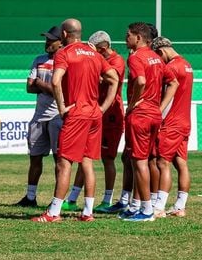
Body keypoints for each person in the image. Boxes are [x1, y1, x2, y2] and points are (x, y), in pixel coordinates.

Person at [32, 18, 118, 223]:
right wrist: (103, 107)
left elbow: (55, 80)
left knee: (64, 163)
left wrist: (62, 107)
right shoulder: (94, 55)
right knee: (87, 163)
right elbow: (114, 78)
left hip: (77, 114)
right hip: (94, 115)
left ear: (64, 34)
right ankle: (88, 212)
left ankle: (53, 213)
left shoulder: (65, 53)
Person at [119, 22, 177, 222]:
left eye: (128, 35)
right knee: (143, 159)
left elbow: (141, 82)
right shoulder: (157, 58)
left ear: (138, 37)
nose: (126, 38)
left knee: (139, 161)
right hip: (153, 115)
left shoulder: (136, 57)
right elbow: (173, 83)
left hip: (141, 115)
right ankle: (136, 205)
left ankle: (146, 210)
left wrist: (133, 103)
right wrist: (159, 108)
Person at [66, 30, 126, 213]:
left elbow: (108, 79)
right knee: (84, 155)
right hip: (94, 114)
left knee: (108, 159)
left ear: (104, 47)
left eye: (96, 50)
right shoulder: (99, 58)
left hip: (111, 116)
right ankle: (72, 198)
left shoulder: (117, 61)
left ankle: (107, 200)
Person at [15, 26, 62, 207]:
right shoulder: (39, 60)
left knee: (59, 161)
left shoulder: (64, 62)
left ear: (60, 42)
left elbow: (58, 91)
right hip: (39, 116)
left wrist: (41, 83)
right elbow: (29, 87)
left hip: (57, 116)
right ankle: (30, 197)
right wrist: (47, 87)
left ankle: (56, 200)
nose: (47, 43)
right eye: (46, 40)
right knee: (34, 158)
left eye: (51, 40)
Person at [151, 37, 193, 218]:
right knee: (181, 163)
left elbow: (170, 94)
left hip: (172, 122)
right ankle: (179, 206)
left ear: (161, 52)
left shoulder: (171, 68)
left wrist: (158, 114)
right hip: (185, 121)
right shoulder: (187, 65)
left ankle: (159, 207)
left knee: (162, 162)